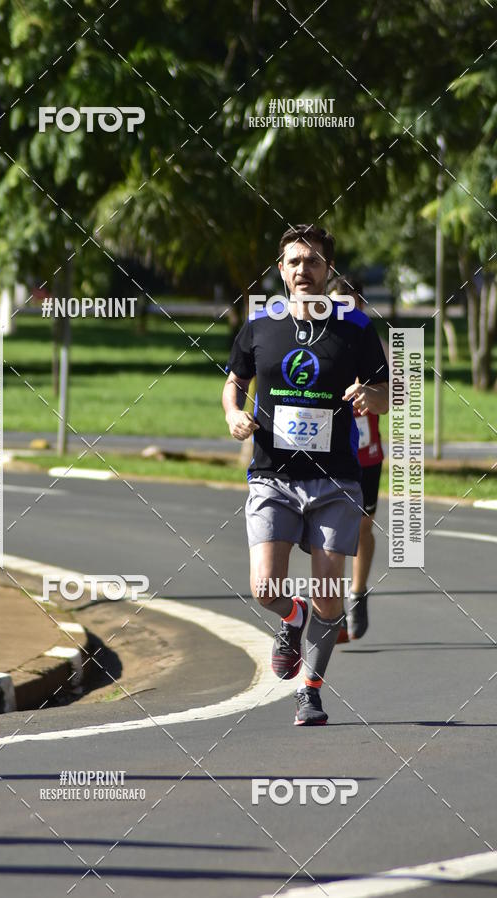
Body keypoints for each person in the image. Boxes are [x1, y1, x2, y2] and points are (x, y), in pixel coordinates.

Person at [222, 225, 389, 726]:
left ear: (327, 271)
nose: (303, 270)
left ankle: (310, 692)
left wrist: (371, 398)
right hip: (273, 475)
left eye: (313, 262)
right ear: (281, 270)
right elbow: (234, 384)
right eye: (294, 261)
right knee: (265, 588)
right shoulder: (260, 326)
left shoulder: (356, 328)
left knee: (328, 593)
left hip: (337, 478)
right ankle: (291, 618)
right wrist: (234, 414)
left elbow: (388, 393)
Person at [331, 277, 388, 642]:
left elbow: (397, 397)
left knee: (363, 528)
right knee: (329, 532)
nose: (345, 313)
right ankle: (331, 611)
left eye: (352, 306)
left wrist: (370, 390)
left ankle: (358, 592)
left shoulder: (374, 345)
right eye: (337, 306)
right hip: (333, 452)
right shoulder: (320, 343)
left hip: (367, 454)